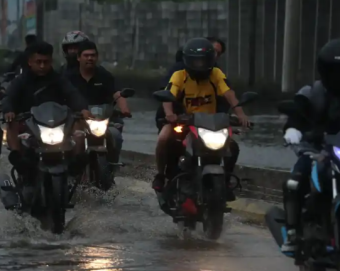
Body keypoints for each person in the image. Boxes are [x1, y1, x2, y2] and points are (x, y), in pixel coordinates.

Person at [154, 37, 250, 196]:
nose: (200, 65)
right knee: (164, 138)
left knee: (232, 147)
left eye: (203, 61)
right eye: (196, 61)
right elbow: (168, 94)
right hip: (184, 121)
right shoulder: (179, 75)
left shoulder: (216, 74)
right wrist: (170, 114)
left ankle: (225, 181)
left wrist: (241, 115)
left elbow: (229, 94)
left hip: (211, 124)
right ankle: (161, 175)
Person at [280, 39, 340, 252]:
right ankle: (293, 233)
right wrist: (292, 129)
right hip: (316, 149)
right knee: (296, 180)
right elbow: (296, 113)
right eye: (334, 71)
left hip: (338, 149)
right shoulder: (311, 92)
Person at [2, 41, 91, 181]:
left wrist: (83, 109)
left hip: (57, 124)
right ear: (30, 62)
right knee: (11, 123)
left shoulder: (58, 79)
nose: (42, 66)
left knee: (78, 122)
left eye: (46, 62)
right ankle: (18, 158)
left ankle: (77, 160)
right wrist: (9, 111)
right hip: (28, 124)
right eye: (39, 62)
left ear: (51, 62)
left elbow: (73, 94)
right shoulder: (20, 81)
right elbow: (9, 97)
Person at [67, 41, 131, 167]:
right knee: (71, 139)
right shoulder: (68, 77)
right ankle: (73, 169)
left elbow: (117, 93)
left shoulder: (104, 75)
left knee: (116, 136)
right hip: (77, 120)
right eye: (86, 55)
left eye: (93, 55)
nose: (90, 58)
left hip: (101, 120)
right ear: (79, 58)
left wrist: (124, 108)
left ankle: (112, 168)